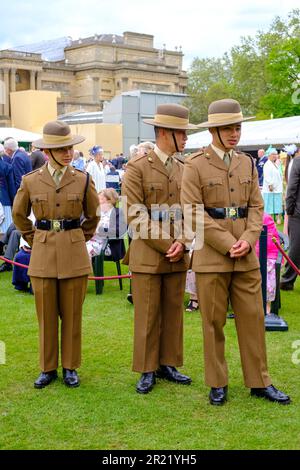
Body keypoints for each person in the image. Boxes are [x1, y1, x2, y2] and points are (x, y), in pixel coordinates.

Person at [181, 98, 290, 405]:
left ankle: (259, 381)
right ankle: (218, 383)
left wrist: (249, 237)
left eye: (238, 127)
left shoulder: (246, 163)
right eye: (228, 128)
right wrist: (230, 243)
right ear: (214, 130)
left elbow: (256, 206)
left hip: (245, 254)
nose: (234, 133)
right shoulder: (195, 165)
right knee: (213, 322)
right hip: (213, 256)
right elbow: (192, 212)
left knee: (253, 319)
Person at [12, 120, 99, 389]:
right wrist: (36, 239)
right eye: (61, 149)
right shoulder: (31, 181)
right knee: (46, 315)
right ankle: (48, 368)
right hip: (43, 255)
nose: (68, 153)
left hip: (74, 255)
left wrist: (77, 238)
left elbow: (93, 215)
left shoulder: (83, 180)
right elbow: (18, 214)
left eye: (70, 147)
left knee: (72, 314)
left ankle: (70, 367)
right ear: (47, 152)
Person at [122, 103, 197, 394]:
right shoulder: (137, 168)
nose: (187, 138)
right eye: (182, 133)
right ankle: (147, 368)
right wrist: (170, 244)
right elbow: (134, 214)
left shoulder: (185, 167)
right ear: (165, 133)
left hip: (179, 248)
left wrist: (185, 242)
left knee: (173, 310)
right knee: (147, 313)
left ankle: (168, 363)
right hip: (149, 252)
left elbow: (194, 209)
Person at [86, 188, 126, 260]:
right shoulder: (97, 213)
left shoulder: (119, 213)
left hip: (108, 245)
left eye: (100, 199)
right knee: (75, 248)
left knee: (84, 251)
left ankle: (87, 271)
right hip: (91, 242)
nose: (97, 202)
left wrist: (98, 230)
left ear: (110, 200)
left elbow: (118, 231)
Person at [280, 154, 300, 291]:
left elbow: (292, 187)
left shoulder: (298, 162)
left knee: (296, 247)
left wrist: (289, 209)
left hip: (298, 212)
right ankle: (287, 279)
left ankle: (287, 279)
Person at [255, 213, 280, 314]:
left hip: (268, 255)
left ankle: (267, 305)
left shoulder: (265, 218)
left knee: (268, 273)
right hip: (251, 254)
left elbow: (269, 243)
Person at [262, 146, 283, 224]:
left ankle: (278, 219)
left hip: (278, 187)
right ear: (269, 155)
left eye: (276, 154)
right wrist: (270, 185)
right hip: (270, 188)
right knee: (269, 204)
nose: (275, 156)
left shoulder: (276, 164)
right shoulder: (267, 164)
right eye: (273, 154)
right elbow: (267, 176)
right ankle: (269, 219)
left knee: (278, 204)